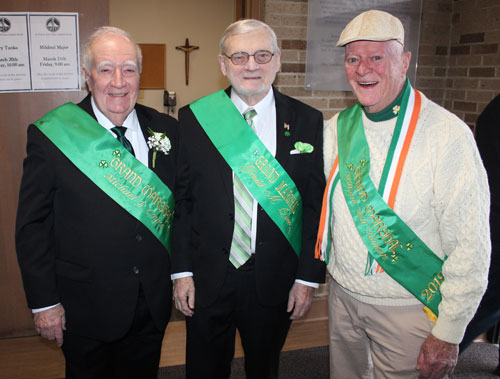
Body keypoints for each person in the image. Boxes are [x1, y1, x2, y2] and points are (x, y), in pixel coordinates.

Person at [315, 10, 491, 379]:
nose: (363, 69)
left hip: (410, 308)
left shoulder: (448, 136)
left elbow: (471, 245)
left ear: (404, 61)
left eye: (377, 57)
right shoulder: (335, 130)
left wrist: (449, 331)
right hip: (343, 299)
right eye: (353, 58)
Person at [15, 26, 177, 379]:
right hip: (84, 307)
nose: (118, 81)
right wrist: (44, 302)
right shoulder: (52, 135)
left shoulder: (166, 129)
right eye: (105, 69)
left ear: (139, 75)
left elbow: (181, 210)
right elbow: (32, 227)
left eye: (129, 69)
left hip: (151, 303)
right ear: (87, 76)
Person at [171, 19, 325, 379]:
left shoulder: (307, 121)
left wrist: (307, 278)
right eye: (239, 56)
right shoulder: (195, 119)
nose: (251, 65)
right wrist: (181, 272)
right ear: (223, 64)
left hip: (275, 278)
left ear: (278, 61)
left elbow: (315, 206)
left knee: (264, 369)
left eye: (261, 55)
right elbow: (183, 202)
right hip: (208, 277)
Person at [459, 93, 500, 375]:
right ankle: (431, 359)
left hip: (490, 220)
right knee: (482, 304)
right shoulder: (496, 112)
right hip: (494, 226)